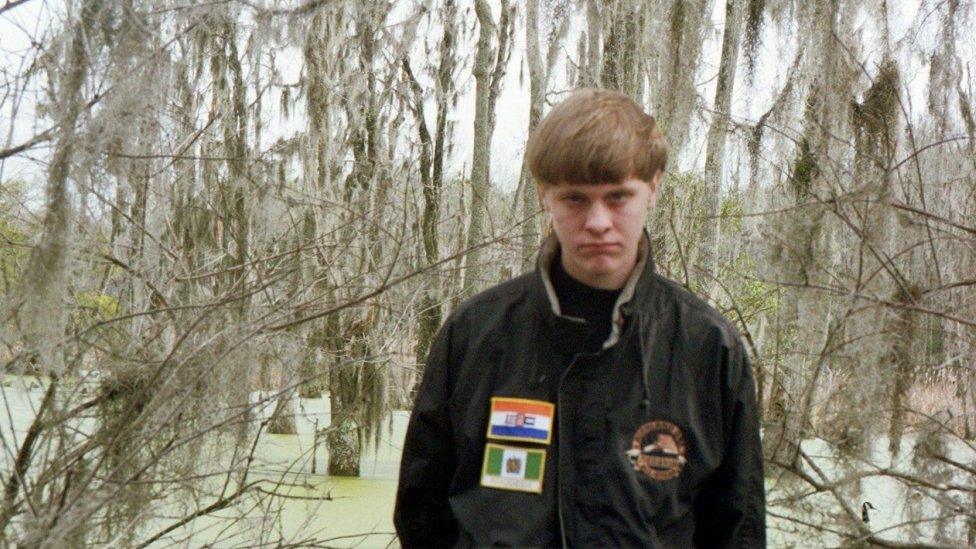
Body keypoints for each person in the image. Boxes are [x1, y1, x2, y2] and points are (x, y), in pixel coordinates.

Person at [394, 88, 766, 547]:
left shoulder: (707, 346)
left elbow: (738, 526)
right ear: (545, 196)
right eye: (575, 199)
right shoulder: (474, 334)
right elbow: (421, 512)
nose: (597, 221)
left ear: (653, 189)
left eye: (617, 197)